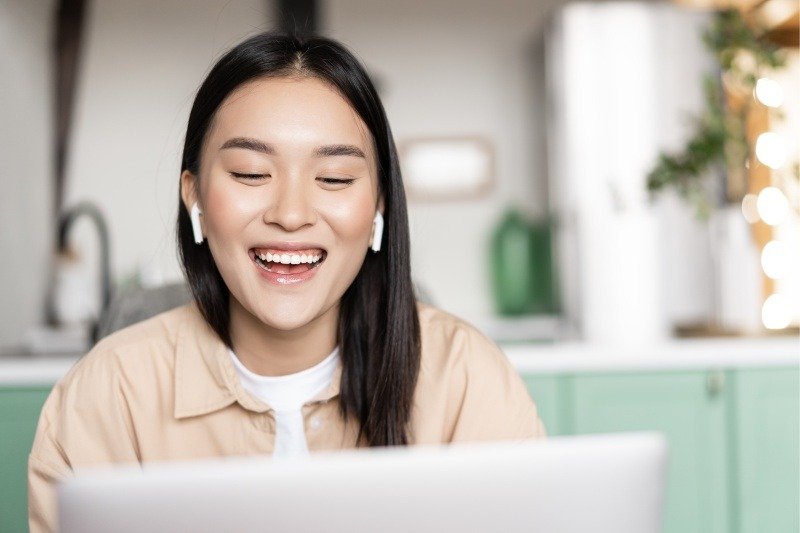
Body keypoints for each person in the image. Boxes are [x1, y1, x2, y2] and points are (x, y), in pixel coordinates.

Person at [28, 32, 546, 532]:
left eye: (335, 179)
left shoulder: (467, 381)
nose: (292, 214)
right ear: (195, 198)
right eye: (251, 174)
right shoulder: (105, 397)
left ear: (379, 206)